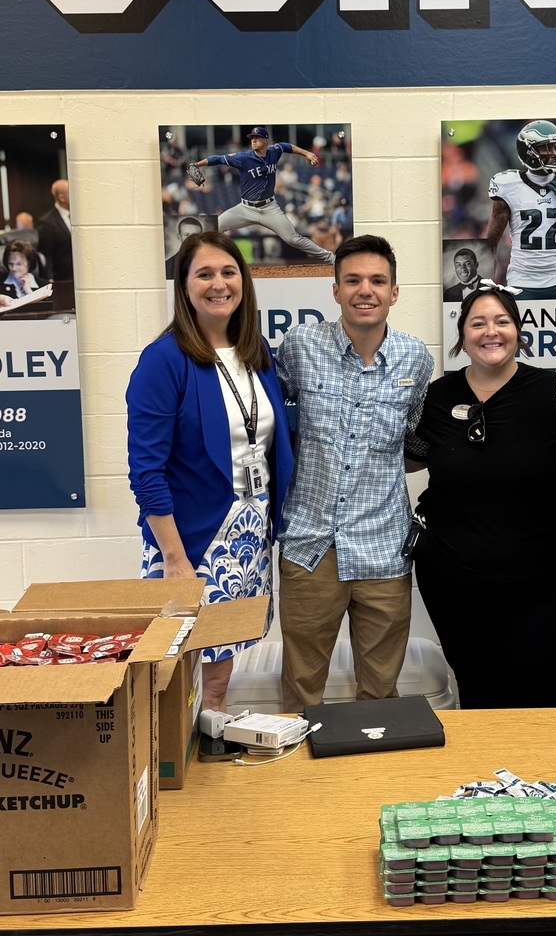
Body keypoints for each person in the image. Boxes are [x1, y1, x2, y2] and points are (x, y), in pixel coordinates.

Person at [126, 231, 293, 712]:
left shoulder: (254, 349)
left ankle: (214, 730)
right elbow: (146, 472)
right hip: (190, 536)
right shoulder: (164, 360)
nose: (219, 284)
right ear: (183, 286)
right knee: (173, 672)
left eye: (228, 272)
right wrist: (174, 560)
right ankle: (169, 770)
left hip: (247, 531)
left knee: (221, 668)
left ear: (244, 280)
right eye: (204, 273)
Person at [274, 234, 433, 711]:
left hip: (383, 549)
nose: (366, 290)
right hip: (310, 545)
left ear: (395, 291)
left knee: (380, 694)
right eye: (354, 280)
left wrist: (377, 472)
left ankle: (368, 782)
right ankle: (301, 781)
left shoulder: (415, 358)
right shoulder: (300, 346)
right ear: (336, 289)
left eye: (378, 281)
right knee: (301, 690)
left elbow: (418, 443)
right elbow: (274, 430)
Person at [406, 284, 556, 708]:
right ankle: (485, 778)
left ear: (519, 331)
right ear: (462, 334)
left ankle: (543, 777)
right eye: (478, 322)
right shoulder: (435, 396)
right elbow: (406, 457)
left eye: (502, 321)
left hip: (543, 585)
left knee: (541, 696)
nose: (491, 331)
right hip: (454, 583)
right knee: (478, 694)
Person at [189, 127, 334, 263]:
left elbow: (286, 146)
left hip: (269, 208)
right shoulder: (243, 158)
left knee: (293, 239)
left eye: (257, 138)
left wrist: (307, 153)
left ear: (266, 141)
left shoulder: (274, 152)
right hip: (246, 208)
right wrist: (197, 164)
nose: (253, 140)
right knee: (215, 227)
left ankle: (330, 258)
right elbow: (218, 158)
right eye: (252, 138)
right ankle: (203, 260)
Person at [484, 120, 556, 299]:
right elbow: (490, 244)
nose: (554, 153)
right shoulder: (508, 185)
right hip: (522, 280)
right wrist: (484, 285)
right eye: (546, 148)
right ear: (528, 151)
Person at [37, 179, 73, 280]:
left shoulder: (80, 216)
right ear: (62, 198)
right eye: (71, 192)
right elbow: (46, 255)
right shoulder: (47, 222)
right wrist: (50, 280)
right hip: (63, 279)